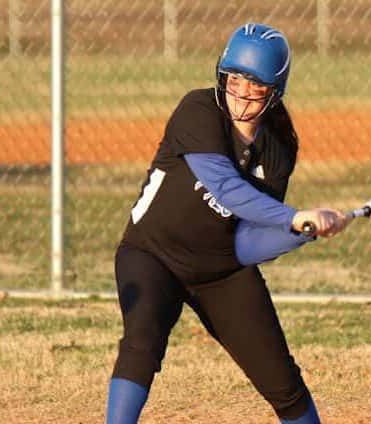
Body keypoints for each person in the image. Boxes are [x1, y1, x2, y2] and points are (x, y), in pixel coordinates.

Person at [105, 22, 348, 424]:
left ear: (275, 92)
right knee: (142, 343)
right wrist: (293, 216)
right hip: (152, 254)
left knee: (282, 381)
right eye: (234, 79)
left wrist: (301, 232)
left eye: (255, 86)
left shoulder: (278, 150)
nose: (241, 95)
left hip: (222, 271)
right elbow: (224, 186)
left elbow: (248, 242)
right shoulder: (199, 110)